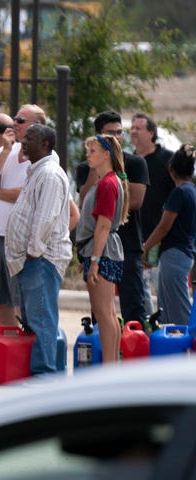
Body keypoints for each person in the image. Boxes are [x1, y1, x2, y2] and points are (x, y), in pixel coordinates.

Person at [4, 124, 71, 376]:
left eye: (30, 138)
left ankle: (45, 374)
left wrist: (33, 251)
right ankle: (42, 370)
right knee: (35, 318)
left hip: (41, 259)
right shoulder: (36, 172)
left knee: (42, 318)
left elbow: (45, 217)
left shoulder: (50, 175)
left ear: (45, 144)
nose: (24, 141)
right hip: (31, 259)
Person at [75, 111, 152, 325]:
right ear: (98, 136)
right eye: (110, 133)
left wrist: (110, 182)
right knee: (101, 311)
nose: (117, 137)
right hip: (97, 246)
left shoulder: (135, 163)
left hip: (127, 245)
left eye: (120, 132)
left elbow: (135, 201)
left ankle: (134, 354)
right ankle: (106, 353)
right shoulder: (87, 166)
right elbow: (85, 199)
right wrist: (96, 166)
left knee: (133, 307)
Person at [0, 109, 36, 327]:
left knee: (19, 299)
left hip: (19, 236)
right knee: (1, 299)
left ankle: (24, 349)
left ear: (37, 125)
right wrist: (4, 151)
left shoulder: (43, 156)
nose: (14, 124)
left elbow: (25, 194)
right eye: (14, 120)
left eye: (20, 120)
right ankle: (8, 349)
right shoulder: (9, 151)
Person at [76, 134, 128, 364]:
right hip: (105, 249)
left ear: (106, 154)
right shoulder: (110, 181)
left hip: (103, 250)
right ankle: (112, 364)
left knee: (103, 313)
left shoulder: (108, 183)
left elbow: (103, 225)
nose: (88, 155)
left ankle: (109, 367)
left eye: (93, 150)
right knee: (108, 312)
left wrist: (94, 261)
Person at [142, 145, 196, 327]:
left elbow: (164, 227)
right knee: (168, 310)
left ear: (171, 170)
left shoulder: (179, 193)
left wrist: (145, 247)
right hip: (184, 253)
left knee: (179, 311)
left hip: (174, 254)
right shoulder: (192, 191)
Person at [131, 112, 174, 299]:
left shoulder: (168, 160)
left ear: (151, 133)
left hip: (162, 236)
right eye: (132, 128)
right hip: (135, 235)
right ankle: (145, 327)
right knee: (139, 292)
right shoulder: (129, 161)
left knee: (163, 292)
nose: (133, 132)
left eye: (138, 128)